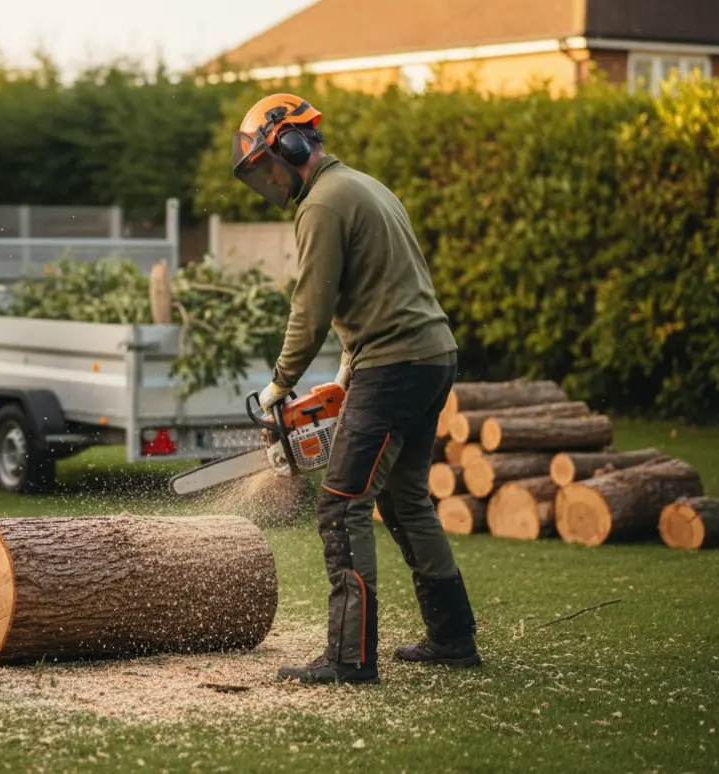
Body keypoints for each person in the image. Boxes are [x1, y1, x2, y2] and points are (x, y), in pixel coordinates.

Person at [232, 93, 481, 685]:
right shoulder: (368, 187)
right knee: (405, 500)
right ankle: (453, 637)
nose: (269, 178)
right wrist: (346, 369)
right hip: (430, 355)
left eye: (270, 163)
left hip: (395, 364)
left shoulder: (321, 203)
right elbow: (385, 286)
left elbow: (311, 306)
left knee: (341, 506)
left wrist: (278, 386)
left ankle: (349, 658)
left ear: (292, 144)